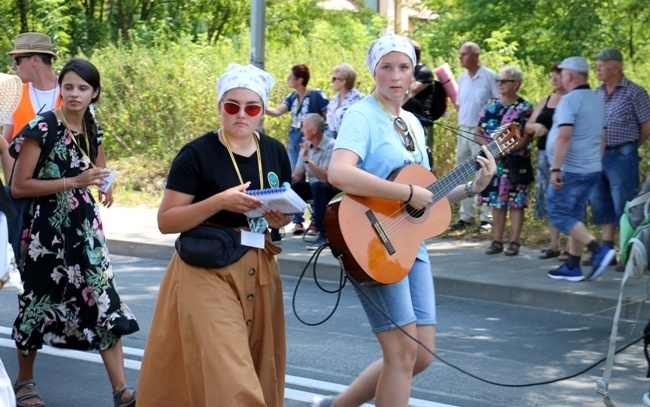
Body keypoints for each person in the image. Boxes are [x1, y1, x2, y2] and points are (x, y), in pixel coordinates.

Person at [313, 33, 496, 407]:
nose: (396, 76)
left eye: (404, 68)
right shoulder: (361, 115)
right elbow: (339, 173)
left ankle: (338, 406)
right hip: (371, 242)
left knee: (422, 354)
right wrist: (406, 194)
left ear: (413, 72)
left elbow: (427, 197)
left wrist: (475, 187)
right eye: (387, 68)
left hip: (410, 242)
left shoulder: (411, 121)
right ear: (373, 71)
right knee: (402, 355)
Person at [137, 64, 292, 407]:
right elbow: (167, 220)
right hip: (206, 269)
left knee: (257, 364)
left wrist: (280, 217)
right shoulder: (197, 153)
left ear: (262, 111)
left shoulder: (275, 151)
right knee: (230, 372)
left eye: (251, 107)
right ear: (220, 106)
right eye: (231, 105)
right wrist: (219, 202)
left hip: (258, 264)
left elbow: (280, 211)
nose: (241, 114)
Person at [9, 58, 138, 407]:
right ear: (60, 89)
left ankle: (122, 391)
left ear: (94, 92)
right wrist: (73, 182)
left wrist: (105, 183)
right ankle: (24, 382)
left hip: (85, 233)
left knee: (103, 300)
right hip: (44, 237)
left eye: (83, 88)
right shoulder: (43, 127)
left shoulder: (92, 125)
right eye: (68, 87)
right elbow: (18, 186)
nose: (75, 94)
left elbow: (98, 163)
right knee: (38, 303)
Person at [545, 56, 615, 282]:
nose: (560, 78)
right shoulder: (596, 99)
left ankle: (598, 250)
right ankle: (573, 266)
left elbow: (564, 136)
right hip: (591, 168)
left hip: (570, 170)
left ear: (570, 76)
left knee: (558, 211)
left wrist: (556, 169)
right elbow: (602, 138)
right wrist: (594, 162)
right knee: (575, 215)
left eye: (562, 73)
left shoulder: (570, 100)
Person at [590, 47, 650, 267]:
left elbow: (647, 124)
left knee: (624, 205)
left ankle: (627, 253)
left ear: (616, 67)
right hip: (598, 156)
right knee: (600, 203)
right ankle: (606, 252)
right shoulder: (596, 93)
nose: (597, 68)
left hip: (623, 155)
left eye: (602, 64)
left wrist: (632, 146)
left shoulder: (635, 92)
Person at [475, 66, 533, 257]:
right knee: (496, 202)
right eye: (498, 81)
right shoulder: (490, 105)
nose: (499, 84)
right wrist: (490, 151)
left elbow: (526, 137)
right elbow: (478, 132)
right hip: (493, 162)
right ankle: (496, 240)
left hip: (515, 162)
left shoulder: (525, 108)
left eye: (504, 81)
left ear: (516, 84)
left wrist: (503, 151)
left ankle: (514, 242)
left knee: (516, 203)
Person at [266, 64, 329, 235]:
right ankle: (298, 220)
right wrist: (259, 106)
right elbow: (278, 112)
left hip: (314, 144)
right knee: (295, 178)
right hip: (295, 143)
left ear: (300, 80)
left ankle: (317, 221)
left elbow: (327, 117)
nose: (288, 80)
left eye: (290, 78)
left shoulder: (316, 96)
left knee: (316, 180)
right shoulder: (292, 97)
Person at [450, 41, 499, 232]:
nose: (460, 57)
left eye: (464, 54)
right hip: (463, 130)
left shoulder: (489, 77)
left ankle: (486, 218)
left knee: (484, 171)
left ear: (476, 56)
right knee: (462, 172)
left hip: (482, 133)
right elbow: (461, 104)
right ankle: (466, 215)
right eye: (460, 53)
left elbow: (497, 104)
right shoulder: (462, 77)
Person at [3, 32, 63, 184]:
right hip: (24, 189)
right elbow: (6, 145)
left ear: (35, 60)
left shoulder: (72, 92)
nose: (13, 67)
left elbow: (92, 139)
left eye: (17, 60)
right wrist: (12, 189)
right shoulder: (13, 94)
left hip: (63, 188)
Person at [524, 63, 567, 260]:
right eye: (552, 76)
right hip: (544, 155)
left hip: (567, 158)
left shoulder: (572, 100)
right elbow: (528, 125)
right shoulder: (546, 99)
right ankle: (554, 244)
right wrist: (537, 126)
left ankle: (571, 247)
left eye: (558, 76)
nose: (554, 79)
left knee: (566, 199)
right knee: (549, 198)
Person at [291, 113, 339, 250]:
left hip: (331, 189)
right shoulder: (306, 147)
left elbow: (325, 178)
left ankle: (323, 234)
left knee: (318, 185)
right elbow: (296, 176)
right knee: (291, 187)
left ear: (314, 130)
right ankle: (274, 230)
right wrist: (281, 177)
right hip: (314, 189)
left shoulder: (332, 145)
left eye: (304, 126)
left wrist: (307, 160)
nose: (301, 130)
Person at [401, 40, 436, 167]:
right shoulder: (408, 71)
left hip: (422, 121)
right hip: (406, 121)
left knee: (423, 154)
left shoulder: (424, 72)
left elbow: (410, 92)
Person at [325, 63, 364, 139]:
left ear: (343, 82)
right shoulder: (334, 100)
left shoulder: (359, 99)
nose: (331, 82)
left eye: (334, 79)